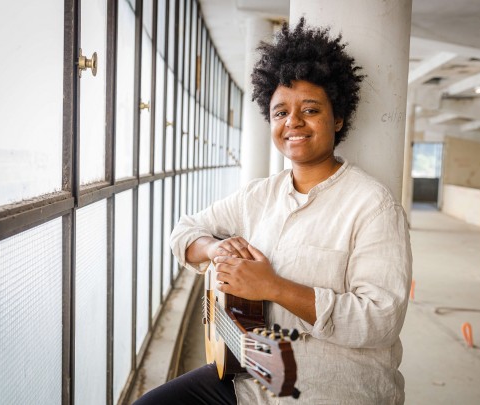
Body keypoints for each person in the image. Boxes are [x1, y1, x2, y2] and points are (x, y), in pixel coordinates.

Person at [134, 18, 412, 405]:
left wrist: (272, 287)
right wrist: (215, 250)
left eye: (310, 109)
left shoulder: (373, 205)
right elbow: (184, 231)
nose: (293, 122)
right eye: (280, 112)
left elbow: (380, 320)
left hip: (331, 391)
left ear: (338, 117)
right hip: (248, 379)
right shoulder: (260, 195)